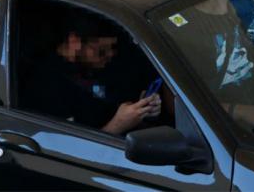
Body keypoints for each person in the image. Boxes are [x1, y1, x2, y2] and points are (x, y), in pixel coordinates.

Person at [25, 11, 161, 135]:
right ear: (74, 42)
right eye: (101, 51)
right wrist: (118, 125)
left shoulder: (97, 68)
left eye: (112, 50)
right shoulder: (45, 86)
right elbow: (71, 150)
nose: (108, 58)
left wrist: (141, 111)